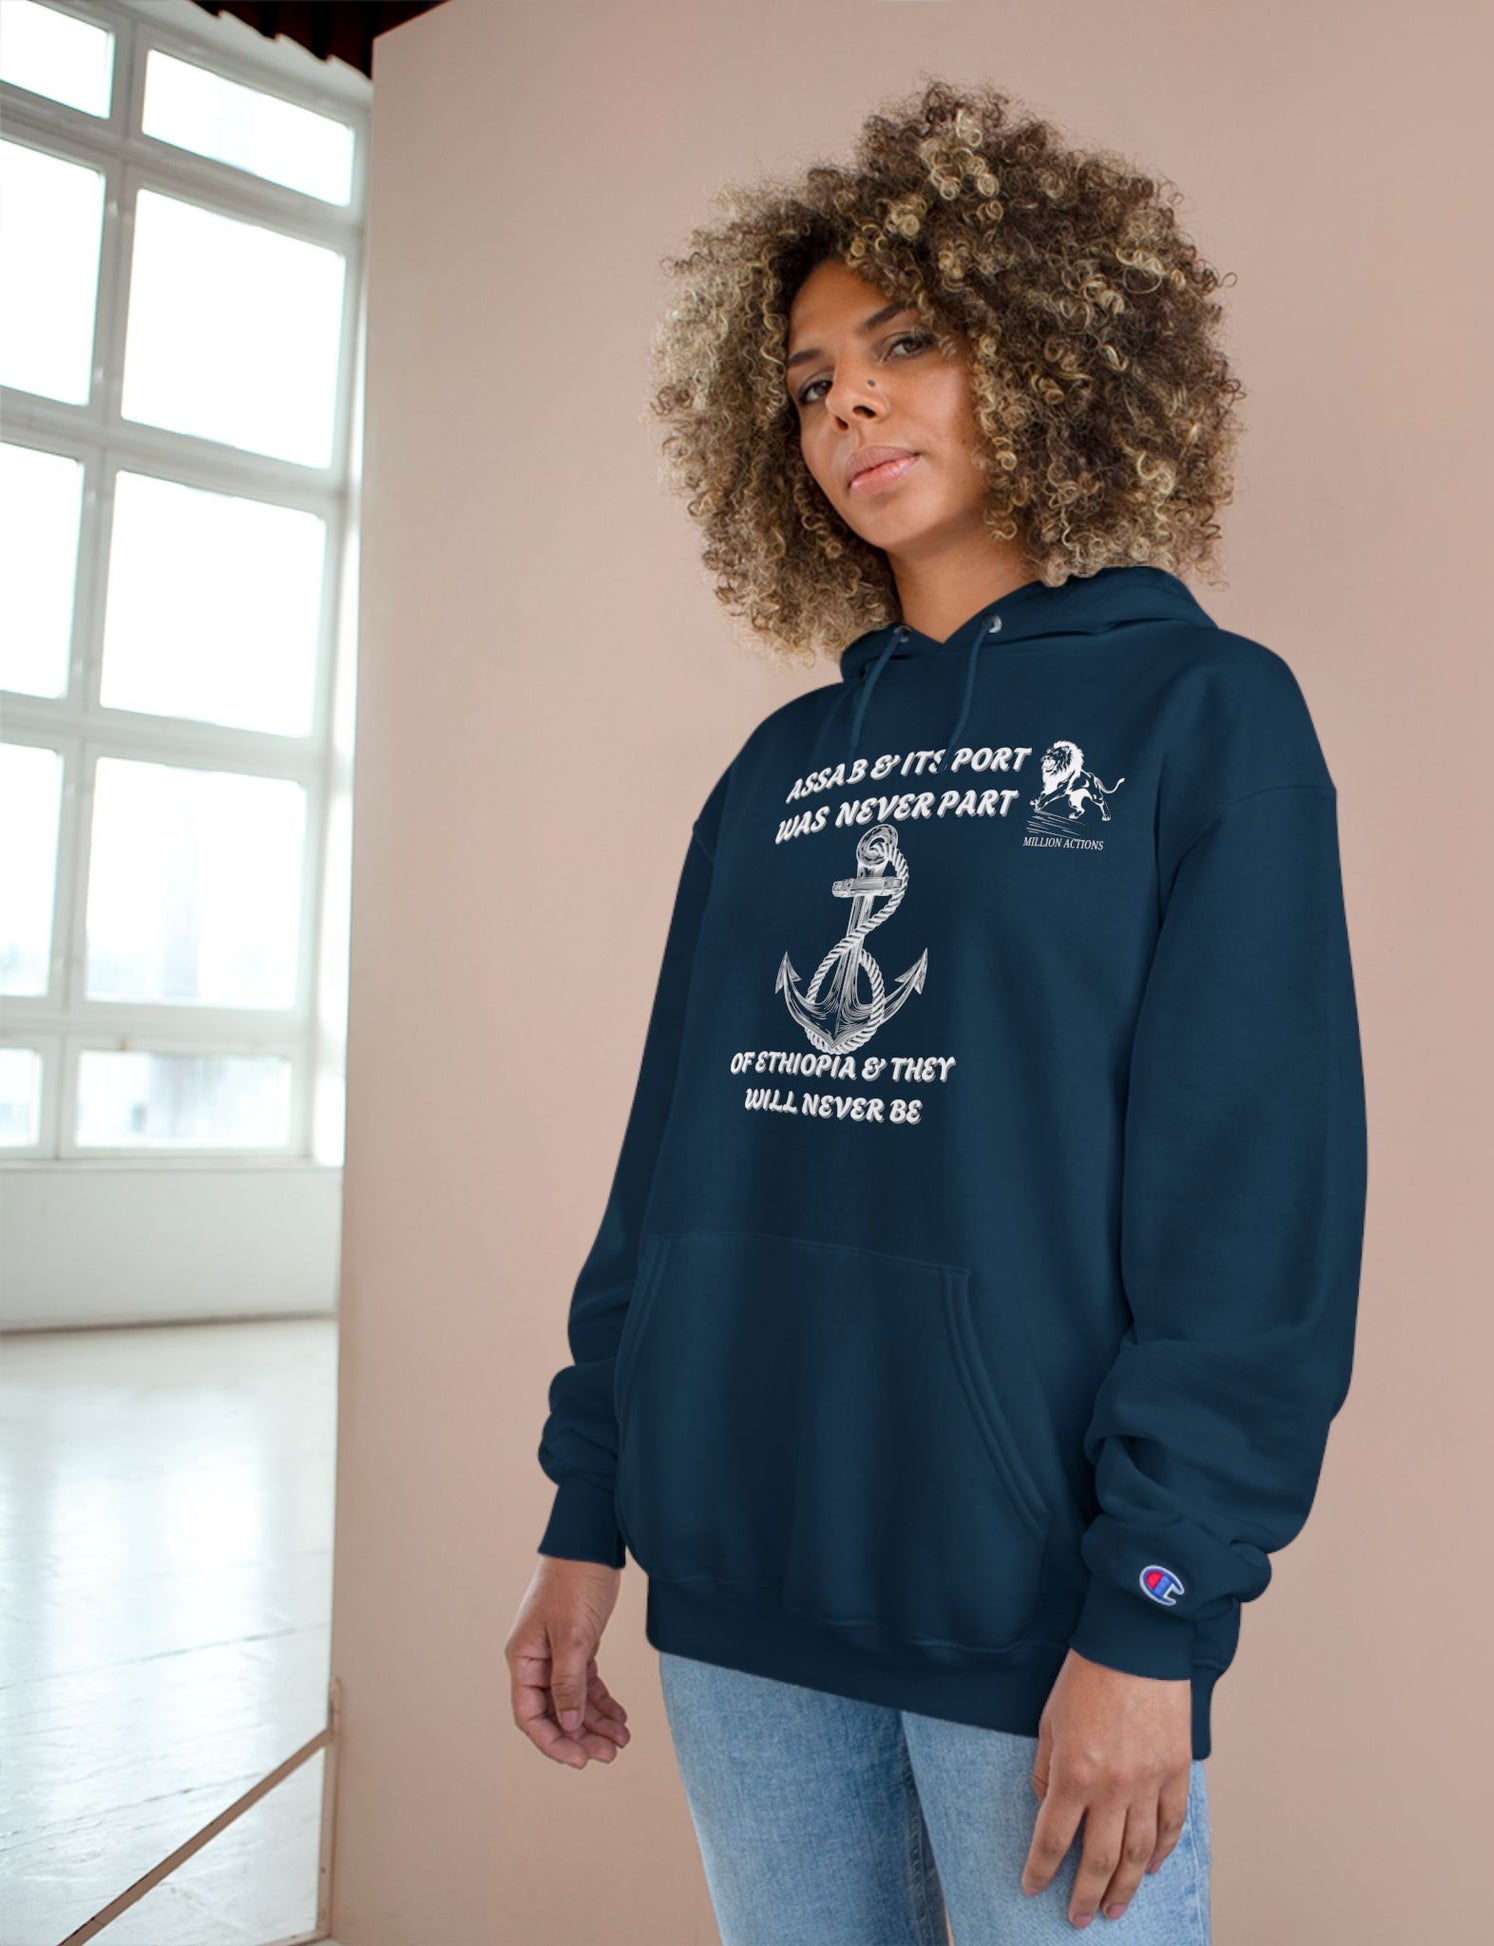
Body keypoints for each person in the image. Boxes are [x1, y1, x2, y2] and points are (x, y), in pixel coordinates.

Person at [504, 77, 1368, 1944]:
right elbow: (669, 1164)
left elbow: (1251, 1207)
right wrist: (590, 1509)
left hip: (1029, 1614)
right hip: (733, 1587)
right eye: (810, 379)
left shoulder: (1202, 717)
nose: (849, 406)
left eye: (904, 344)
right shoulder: (776, 769)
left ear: (1047, 355)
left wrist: (1154, 1608)